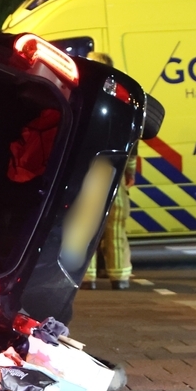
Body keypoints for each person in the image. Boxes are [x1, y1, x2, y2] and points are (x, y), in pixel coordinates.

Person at [82, 51, 135, 290]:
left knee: (84, 223)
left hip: (90, 170)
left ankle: (87, 277)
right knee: (115, 226)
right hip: (115, 170)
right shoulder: (124, 101)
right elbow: (132, 143)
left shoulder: (84, 95)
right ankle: (120, 277)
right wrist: (129, 171)